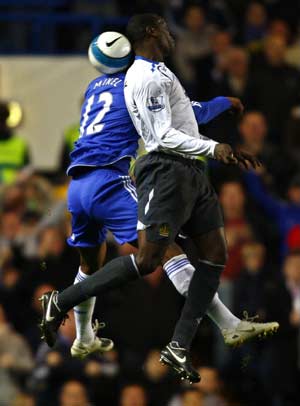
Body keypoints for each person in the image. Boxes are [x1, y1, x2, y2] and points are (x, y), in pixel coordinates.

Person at [39, 18, 278, 383]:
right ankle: (62, 301)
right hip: (111, 181)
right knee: (164, 254)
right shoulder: (138, 81)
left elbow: (179, 112)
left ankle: (85, 337)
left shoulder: (94, 88)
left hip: (78, 185)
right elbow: (174, 124)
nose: (169, 33)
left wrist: (217, 103)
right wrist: (215, 130)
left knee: (90, 262)